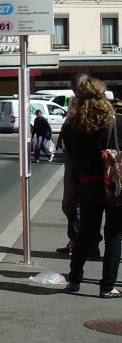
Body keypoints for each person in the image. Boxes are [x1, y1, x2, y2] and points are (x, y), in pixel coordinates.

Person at [60, 76, 122, 298]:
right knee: (114, 234)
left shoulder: (71, 127)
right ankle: (107, 287)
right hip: (114, 185)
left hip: (87, 185)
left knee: (85, 233)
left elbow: (71, 157)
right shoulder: (116, 123)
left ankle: (74, 281)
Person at [55, 72, 90, 254]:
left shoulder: (89, 105)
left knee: (73, 202)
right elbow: (68, 123)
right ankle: (77, 240)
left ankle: (81, 241)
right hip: (72, 156)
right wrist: (62, 136)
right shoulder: (74, 102)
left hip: (81, 159)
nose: (75, 91)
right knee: (72, 203)